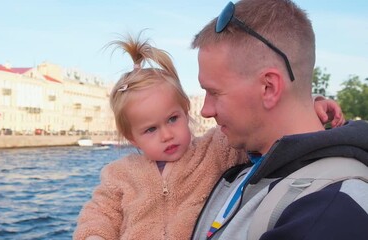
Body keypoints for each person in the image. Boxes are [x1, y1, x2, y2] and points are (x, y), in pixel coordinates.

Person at [73, 33, 344, 239]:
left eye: (172, 119)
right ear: (131, 137)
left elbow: (268, 126)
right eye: (151, 129)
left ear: (186, 111)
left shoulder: (214, 149)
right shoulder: (119, 175)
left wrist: (310, 104)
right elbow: (99, 215)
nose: (167, 135)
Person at [190, 0, 368, 239]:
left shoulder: (332, 211)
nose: (205, 110)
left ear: (269, 87)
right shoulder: (252, 164)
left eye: (214, 92)